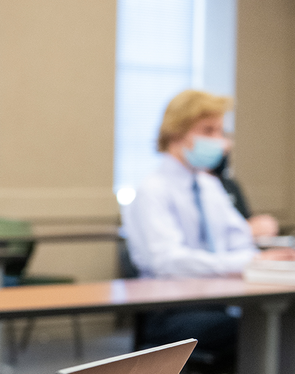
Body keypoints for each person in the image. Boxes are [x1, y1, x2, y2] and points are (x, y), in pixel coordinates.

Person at [122, 89, 295, 358]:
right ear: (176, 132)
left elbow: (239, 242)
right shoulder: (152, 190)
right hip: (171, 311)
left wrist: (265, 261)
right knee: (262, 329)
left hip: (223, 301)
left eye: (220, 132)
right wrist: (248, 263)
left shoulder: (209, 186)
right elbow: (168, 262)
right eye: (208, 130)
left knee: (279, 322)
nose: (220, 141)